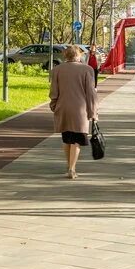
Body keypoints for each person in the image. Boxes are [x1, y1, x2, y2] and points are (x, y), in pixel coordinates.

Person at [50, 44, 97, 179]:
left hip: (63, 108)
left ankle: (69, 165)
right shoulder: (87, 70)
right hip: (79, 110)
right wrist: (93, 112)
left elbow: (54, 91)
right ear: (78, 55)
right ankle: (72, 169)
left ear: (65, 56)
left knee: (67, 139)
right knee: (76, 140)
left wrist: (54, 105)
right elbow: (91, 93)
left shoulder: (57, 70)